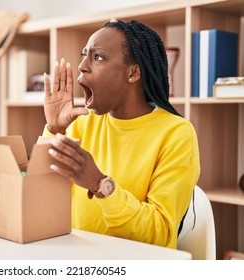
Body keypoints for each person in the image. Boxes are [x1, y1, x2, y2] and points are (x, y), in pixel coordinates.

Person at [42, 20, 200, 249]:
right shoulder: (81, 123)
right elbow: (44, 202)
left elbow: (160, 234)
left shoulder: (176, 134)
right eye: (84, 55)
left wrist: (100, 184)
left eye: (98, 57)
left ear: (133, 72)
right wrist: (54, 130)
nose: (82, 66)